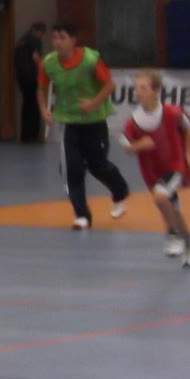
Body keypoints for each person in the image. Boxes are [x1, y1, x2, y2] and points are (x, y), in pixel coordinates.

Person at [39, 22, 131, 231]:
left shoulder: (90, 60)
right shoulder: (49, 63)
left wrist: (93, 103)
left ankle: (120, 191)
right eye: (54, 38)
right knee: (72, 168)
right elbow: (41, 87)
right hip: (69, 123)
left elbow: (109, 85)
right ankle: (82, 215)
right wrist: (44, 109)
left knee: (98, 166)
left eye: (62, 38)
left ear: (73, 40)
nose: (57, 42)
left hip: (94, 122)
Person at [120, 68, 190, 270]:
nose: (138, 92)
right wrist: (138, 145)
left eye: (143, 88)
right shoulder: (135, 120)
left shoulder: (172, 113)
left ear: (155, 90)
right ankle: (189, 243)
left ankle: (172, 234)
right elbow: (126, 144)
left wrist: (187, 154)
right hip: (152, 172)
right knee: (173, 210)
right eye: (136, 88)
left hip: (174, 166)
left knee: (160, 197)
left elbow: (186, 128)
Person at [14, 23, 48, 143]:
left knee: (26, 104)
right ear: (37, 31)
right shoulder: (35, 40)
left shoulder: (21, 40)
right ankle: (34, 134)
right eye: (41, 33)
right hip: (32, 76)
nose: (41, 36)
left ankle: (25, 135)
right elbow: (36, 57)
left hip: (21, 76)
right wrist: (44, 69)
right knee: (35, 104)